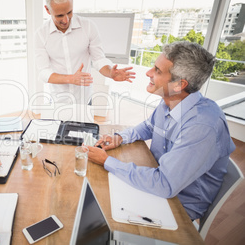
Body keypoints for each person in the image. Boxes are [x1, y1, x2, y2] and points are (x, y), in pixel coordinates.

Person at [87, 41, 236, 221]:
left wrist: (107, 161)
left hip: (178, 206)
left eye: (157, 71)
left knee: (100, 208)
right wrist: (120, 137)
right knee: (99, 192)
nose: (148, 73)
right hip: (158, 181)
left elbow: (164, 184)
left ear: (179, 85)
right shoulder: (172, 100)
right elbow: (149, 126)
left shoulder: (202, 127)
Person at [35, 0, 135, 105]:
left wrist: (110, 73)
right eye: (59, 15)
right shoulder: (41, 34)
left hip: (84, 100)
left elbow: (98, 59)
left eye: (69, 12)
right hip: (58, 101)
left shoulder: (88, 26)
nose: (66, 20)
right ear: (48, 10)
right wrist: (71, 79)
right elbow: (44, 72)